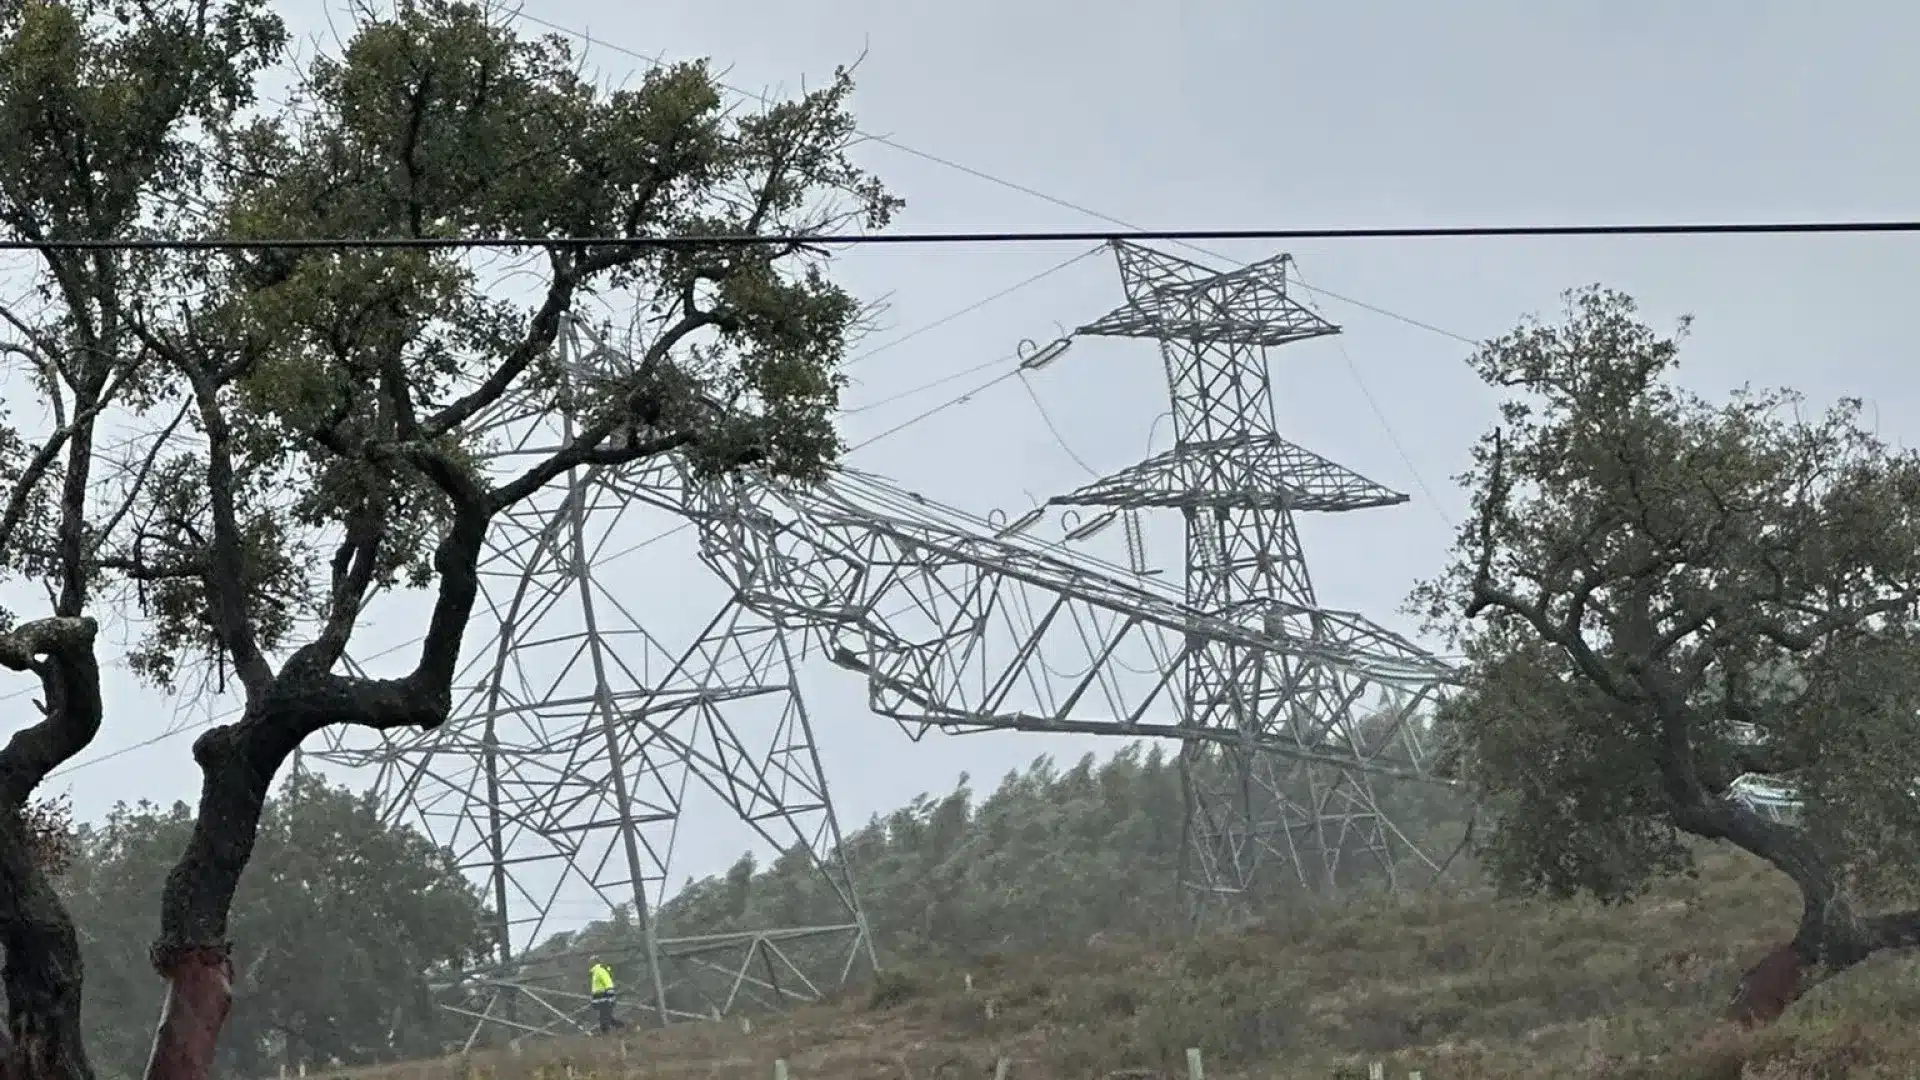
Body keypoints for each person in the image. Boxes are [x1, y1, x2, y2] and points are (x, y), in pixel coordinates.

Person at [588, 956, 622, 1034]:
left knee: (604, 1018)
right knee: (607, 1017)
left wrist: (611, 997)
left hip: (605, 998)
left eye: (590, 962)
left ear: (595, 962)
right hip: (601, 999)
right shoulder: (595, 972)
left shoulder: (599, 970)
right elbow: (597, 988)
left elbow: (608, 983)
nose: (589, 964)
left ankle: (606, 1034)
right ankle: (622, 1027)